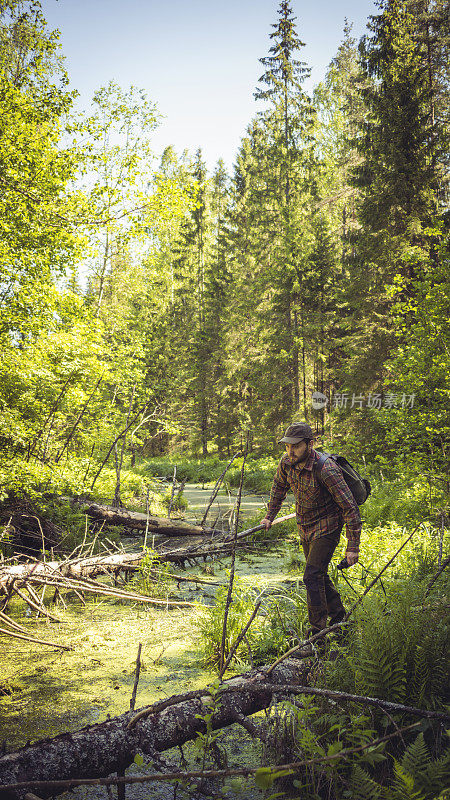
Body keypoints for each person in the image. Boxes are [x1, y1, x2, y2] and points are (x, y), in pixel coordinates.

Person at [261, 422, 361, 647]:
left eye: (296, 446)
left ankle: (317, 637)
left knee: (311, 575)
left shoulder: (327, 469)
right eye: (287, 446)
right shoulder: (287, 463)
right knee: (319, 575)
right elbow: (278, 489)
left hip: (328, 527)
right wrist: (269, 516)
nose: (290, 451)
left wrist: (353, 547)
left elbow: (349, 507)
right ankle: (340, 622)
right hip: (305, 527)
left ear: (310, 444)